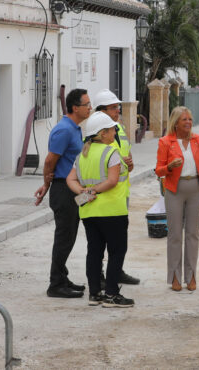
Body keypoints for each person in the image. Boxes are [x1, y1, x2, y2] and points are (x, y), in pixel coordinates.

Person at [65, 112, 134, 308]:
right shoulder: (110, 153)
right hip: (112, 210)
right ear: (103, 133)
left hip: (89, 211)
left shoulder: (83, 154)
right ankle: (111, 294)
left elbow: (71, 179)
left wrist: (83, 192)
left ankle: (95, 293)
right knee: (117, 251)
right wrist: (93, 190)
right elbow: (112, 181)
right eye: (112, 129)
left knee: (94, 252)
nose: (115, 131)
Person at [34, 88, 92, 299]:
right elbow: (50, 161)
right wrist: (45, 186)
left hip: (73, 189)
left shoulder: (75, 128)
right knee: (64, 237)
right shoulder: (64, 130)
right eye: (87, 105)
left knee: (71, 235)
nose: (90, 108)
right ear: (75, 107)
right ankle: (55, 283)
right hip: (63, 189)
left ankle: (62, 277)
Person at [87, 90, 141, 288]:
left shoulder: (119, 129)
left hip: (119, 194)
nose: (117, 110)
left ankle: (115, 272)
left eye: (117, 107)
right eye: (112, 108)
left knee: (116, 244)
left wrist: (130, 164)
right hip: (102, 196)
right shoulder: (92, 135)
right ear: (101, 111)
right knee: (98, 245)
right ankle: (103, 281)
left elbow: (125, 157)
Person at [155, 106, 199, 291]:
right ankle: (175, 277)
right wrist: (169, 166)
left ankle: (191, 276)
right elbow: (158, 170)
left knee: (193, 234)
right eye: (184, 119)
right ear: (176, 122)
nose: (188, 122)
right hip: (174, 189)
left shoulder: (197, 140)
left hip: (195, 188)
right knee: (175, 234)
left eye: (190, 119)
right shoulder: (165, 142)